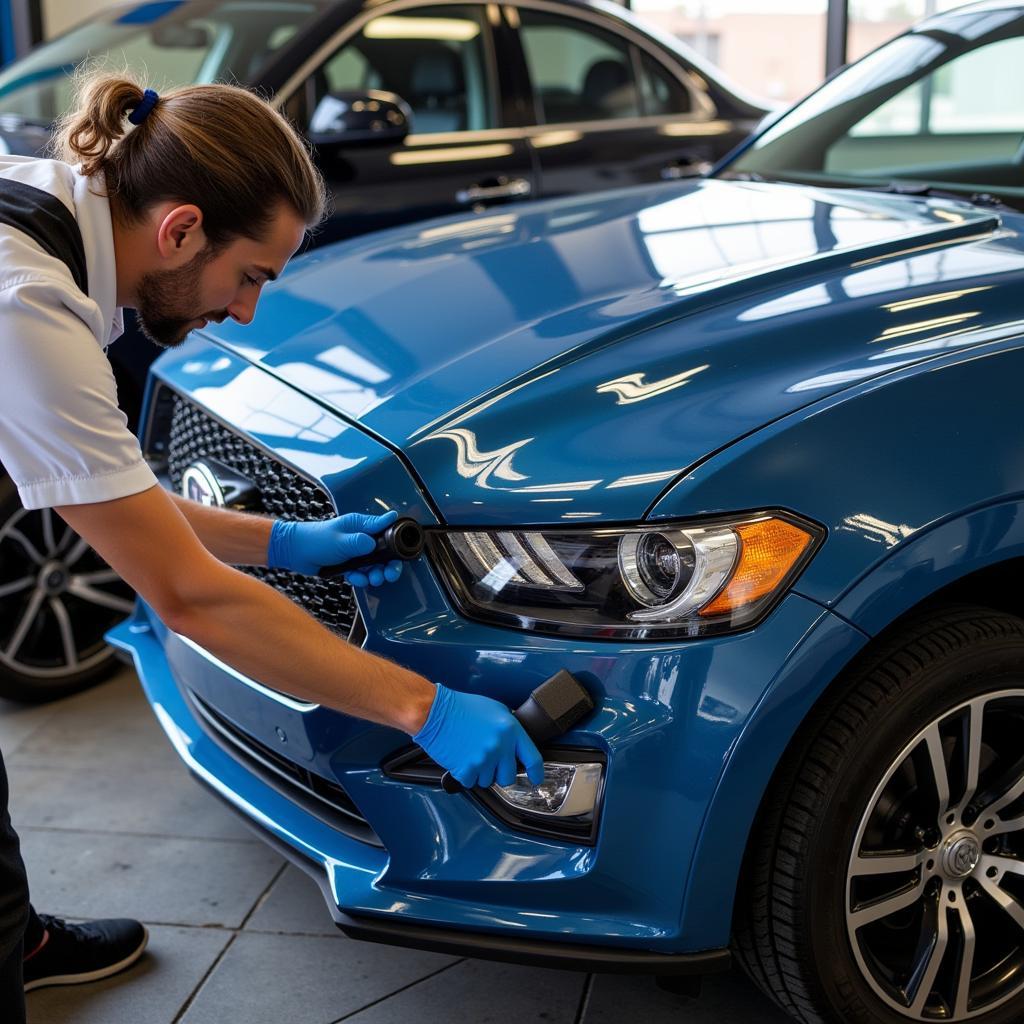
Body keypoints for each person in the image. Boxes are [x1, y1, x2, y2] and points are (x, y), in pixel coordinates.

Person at [0, 72, 544, 1019]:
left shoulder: (44, 201)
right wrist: (425, 709)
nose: (247, 310)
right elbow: (187, 594)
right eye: (250, 276)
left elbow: (119, 501)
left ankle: (13, 941)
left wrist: (289, 543)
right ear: (180, 230)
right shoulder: (27, 308)